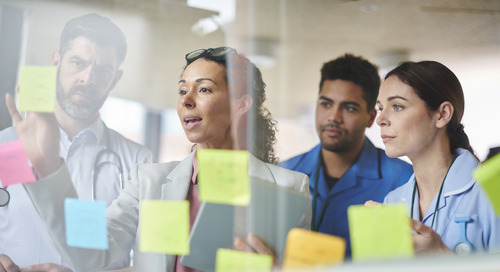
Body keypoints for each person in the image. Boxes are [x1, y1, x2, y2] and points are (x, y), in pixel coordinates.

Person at [4, 47, 310, 272]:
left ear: (241, 104)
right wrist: (48, 169)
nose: (186, 100)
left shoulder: (290, 188)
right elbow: (90, 252)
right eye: (181, 90)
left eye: (204, 89)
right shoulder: (147, 182)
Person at [0, 14, 153, 271]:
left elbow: (151, 266)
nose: (87, 78)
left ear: (115, 78)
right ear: (56, 62)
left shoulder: (138, 162)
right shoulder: (5, 146)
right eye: (78, 62)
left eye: (103, 69)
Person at [279, 54, 413, 258]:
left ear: (370, 118)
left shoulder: (405, 181)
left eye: (349, 108)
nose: (334, 117)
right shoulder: (283, 174)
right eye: (326, 104)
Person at [374, 60, 500, 254]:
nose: (380, 120)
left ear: (442, 114)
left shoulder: (495, 189)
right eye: (381, 108)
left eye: (397, 106)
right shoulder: (393, 202)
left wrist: (442, 255)